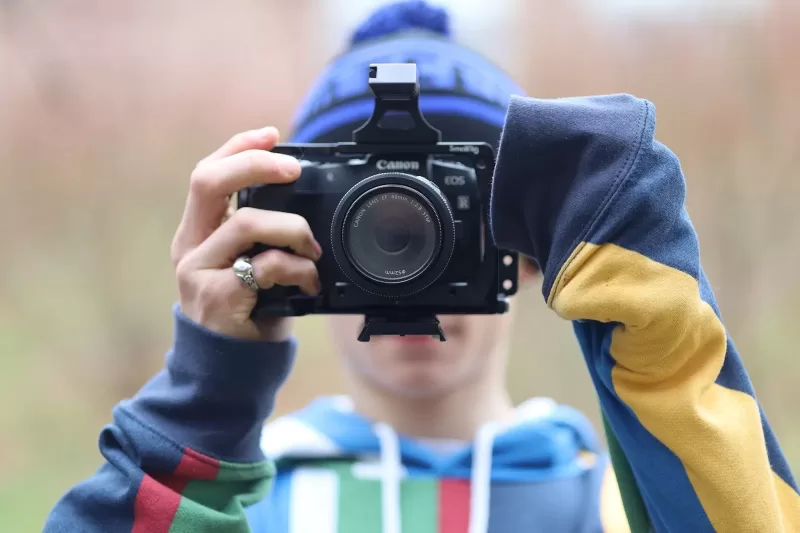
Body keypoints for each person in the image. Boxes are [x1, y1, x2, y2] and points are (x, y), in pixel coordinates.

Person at [44, 2, 799, 533]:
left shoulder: (616, 498)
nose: (401, 252)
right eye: (363, 221)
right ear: (280, 236)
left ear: (534, 248)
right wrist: (205, 391)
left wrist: (654, 328)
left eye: (443, 215)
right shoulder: (239, 501)